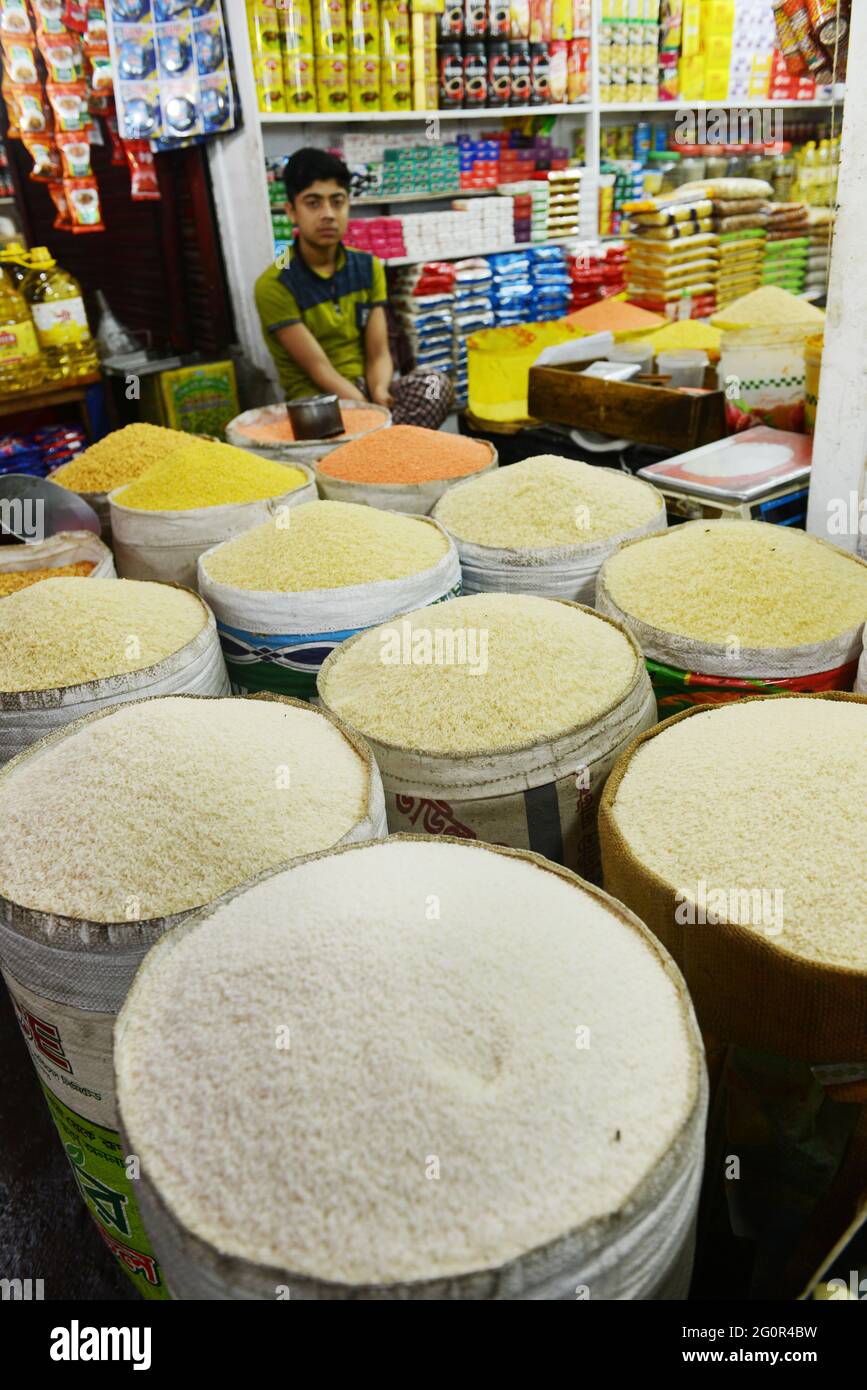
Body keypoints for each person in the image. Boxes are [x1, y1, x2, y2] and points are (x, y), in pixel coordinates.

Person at [254, 148, 453, 429]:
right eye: (313, 203)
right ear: (291, 212)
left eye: (337, 202)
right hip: (319, 405)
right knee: (340, 422)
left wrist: (381, 392)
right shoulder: (275, 283)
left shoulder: (367, 266)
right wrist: (367, 410)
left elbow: (379, 353)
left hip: (369, 390)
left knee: (435, 384)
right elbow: (319, 369)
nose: (328, 214)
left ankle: (384, 444)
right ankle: (390, 444)